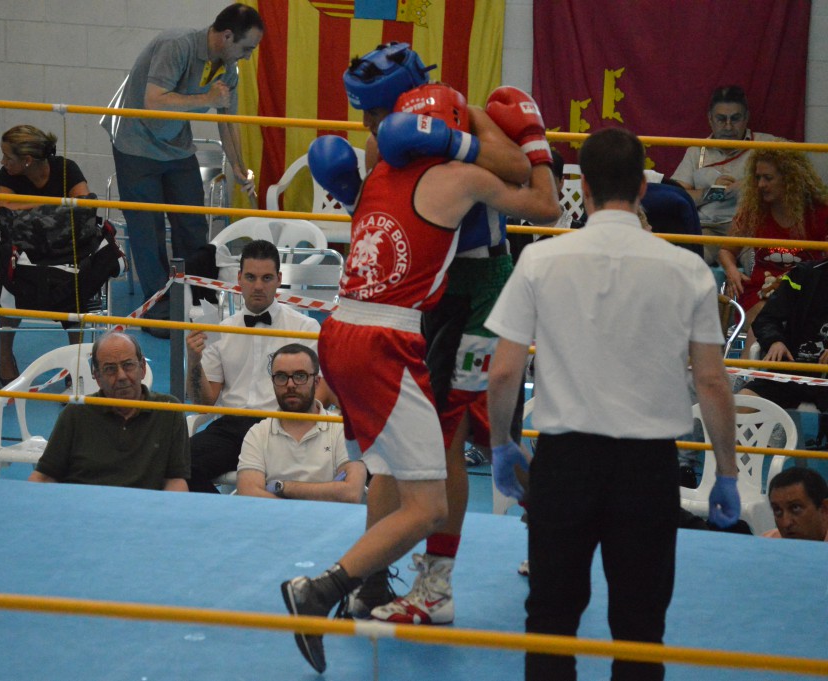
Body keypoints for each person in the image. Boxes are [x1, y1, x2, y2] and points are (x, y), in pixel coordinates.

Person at [280, 77, 560, 672]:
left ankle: (384, 584)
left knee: (461, 438)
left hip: (359, 326)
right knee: (443, 467)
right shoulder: (452, 171)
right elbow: (545, 202)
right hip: (396, 332)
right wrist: (533, 140)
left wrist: (483, 133)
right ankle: (344, 587)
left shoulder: (383, 167)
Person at [486, 127, 740, 681]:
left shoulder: (541, 261)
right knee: (641, 626)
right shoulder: (688, 269)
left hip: (565, 462)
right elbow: (713, 383)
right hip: (646, 469)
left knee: (550, 619)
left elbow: (504, 370)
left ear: (585, 190)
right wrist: (726, 470)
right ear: (643, 190)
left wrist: (501, 444)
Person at [111, 3, 263, 338]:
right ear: (226, 35)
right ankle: (158, 307)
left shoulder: (228, 69)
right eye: (247, 48)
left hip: (177, 147)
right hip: (136, 144)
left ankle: (198, 298)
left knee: (192, 223)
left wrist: (239, 167)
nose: (248, 56)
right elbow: (154, 100)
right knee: (147, 229)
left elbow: (228, 119)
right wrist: (207, 96)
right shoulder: (176, 44)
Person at [185, 239, 324, 493]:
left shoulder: (305, 328)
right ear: (239, 278)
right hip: (231, 429)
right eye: (250, 277)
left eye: (267, 278)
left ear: (279, 278)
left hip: (282, 426)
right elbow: (203, 401)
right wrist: (193, 363)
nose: (258, 286)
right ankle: (225, 521)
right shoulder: (220, 330)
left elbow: (320, 391)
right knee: (179, 466)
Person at [29, 331, 189, 490]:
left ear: (142, 368)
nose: (121, 376)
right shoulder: (75, 414)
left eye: (128, 365)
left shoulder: (169, 410)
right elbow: (44, 476)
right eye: (110, 369)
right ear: (97, 377)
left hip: (144, 510)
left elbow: (175, 481)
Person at [0, 124, 91, 383]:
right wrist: (56, 205)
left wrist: (27, 209)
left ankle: (77, 359)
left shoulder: (65, 169)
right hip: (23, 252)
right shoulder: (8, 175)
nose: (3, 162)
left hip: (65, 252)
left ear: (27, 160)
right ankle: (5, 356)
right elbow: (4, 209)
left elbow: (85, 207)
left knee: (77, 284)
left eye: (8, 157)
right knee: (6, 280)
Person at [717, 147, 828, 354]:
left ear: (789, 178)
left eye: (768, 178)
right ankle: (751, 377)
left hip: (804, 295)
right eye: (757, 178)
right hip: (760, 292)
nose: (760, 185)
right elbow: (726, 250)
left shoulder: (819, 212)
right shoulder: (754, 210)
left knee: (788, 322)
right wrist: (732, 272)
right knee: (765, 317)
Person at [236, 343, 365, 503]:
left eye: (300, 376)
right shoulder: (257, 433)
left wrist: (282, 487)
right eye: (282, 377)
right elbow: (248, 494)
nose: (290, 384)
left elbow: (351, 493)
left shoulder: (343, 430)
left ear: (317, 382)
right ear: (273, 382)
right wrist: (326, 492)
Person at [671, 85, 774, 264]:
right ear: (710, 119)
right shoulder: (696, 151)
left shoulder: (769, 145)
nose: (728, 126)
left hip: (752, 230)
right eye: (721, 119)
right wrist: (715, 192)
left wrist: (748, 185)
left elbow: (797, 177)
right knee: (689, 264)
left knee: (761, 267)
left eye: (735, 119)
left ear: (746, 118)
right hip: (708, 230)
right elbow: (676, 197)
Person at [738, 260, 828, 413]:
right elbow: (766, 318)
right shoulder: (803, 274)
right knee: (740, 406)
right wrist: (775, 341)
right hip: (791, 373)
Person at [763, 467, 828, 541]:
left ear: (824, 509)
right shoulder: (767, 543)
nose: (786, 523)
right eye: (777, 510)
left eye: (795, 508)